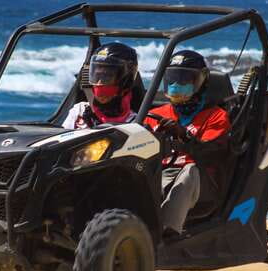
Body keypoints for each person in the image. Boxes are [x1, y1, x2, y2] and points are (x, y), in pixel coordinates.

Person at [144, 50, 230, 235]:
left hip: (201, 182)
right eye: (173, 79)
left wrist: (184, 135)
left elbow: (210, 152)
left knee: (190, 171)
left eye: (184, 79)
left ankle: (167, 232)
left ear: (200, 81)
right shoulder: (156, 114)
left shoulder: (216, 116)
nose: (177, 85)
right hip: (160, 173)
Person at [62, 42, 138, 129]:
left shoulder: (135, 122)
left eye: (106, 77)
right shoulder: (79, 111)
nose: (99, 84)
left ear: (125, 81)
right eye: (97, 76)